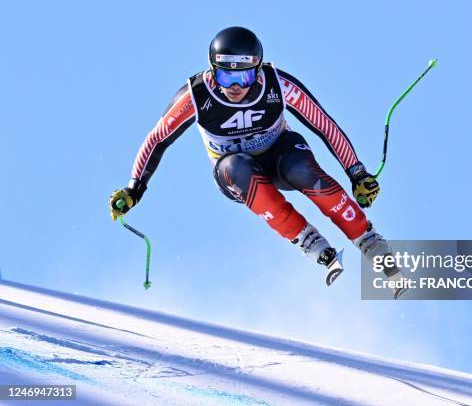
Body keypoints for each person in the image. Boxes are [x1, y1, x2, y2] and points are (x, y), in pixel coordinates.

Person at [109, 26, 404, 295]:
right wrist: (135, 188)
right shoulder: (196, 96)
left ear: (258, 70)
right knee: (236, 168)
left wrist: (357, 173)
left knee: (300, 169)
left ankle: (368, 240)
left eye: (245, 76)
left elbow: (323, 124)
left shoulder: (278, 84)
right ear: (212, 71)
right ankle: (308, 240)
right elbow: (157, 138)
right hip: (236, 171)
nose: (235, 87)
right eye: (226, 76)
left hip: (280, 156)